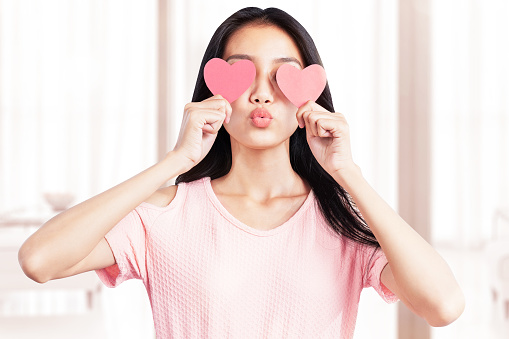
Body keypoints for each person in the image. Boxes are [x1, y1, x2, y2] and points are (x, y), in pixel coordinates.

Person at [18, 7, 464, 338]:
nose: (261, 95)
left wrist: (350, 176)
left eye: (283, 77)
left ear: (309, 97)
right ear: (215, 91)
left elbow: (444, 306)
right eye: (242, 74)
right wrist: (175, 161)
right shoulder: (166, 214)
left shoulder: (342, 221)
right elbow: (39, 261)